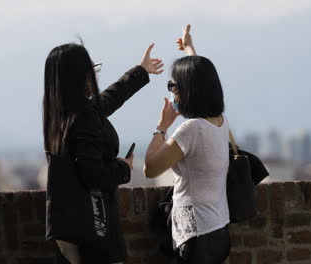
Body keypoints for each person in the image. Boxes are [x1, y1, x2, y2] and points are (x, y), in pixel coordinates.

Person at [43, 41, 164, 263]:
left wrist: (140, 71)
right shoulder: (83, 117)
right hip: (92, 229)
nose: (96, 76)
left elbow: (108, 100)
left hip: (67, 227)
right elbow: (93, 175)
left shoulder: (59, 115)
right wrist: (123, 168)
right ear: (80, 76)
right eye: (92, 70)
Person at [143, 25, 231, 263]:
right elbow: (200, 77)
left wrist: (162, 126)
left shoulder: (191, 129)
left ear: (186, 91)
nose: (173, 93)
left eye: (174, 86)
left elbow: (150, 168)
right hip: (220, 229)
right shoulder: (220, 123)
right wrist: (190, 48)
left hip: (197, 236)